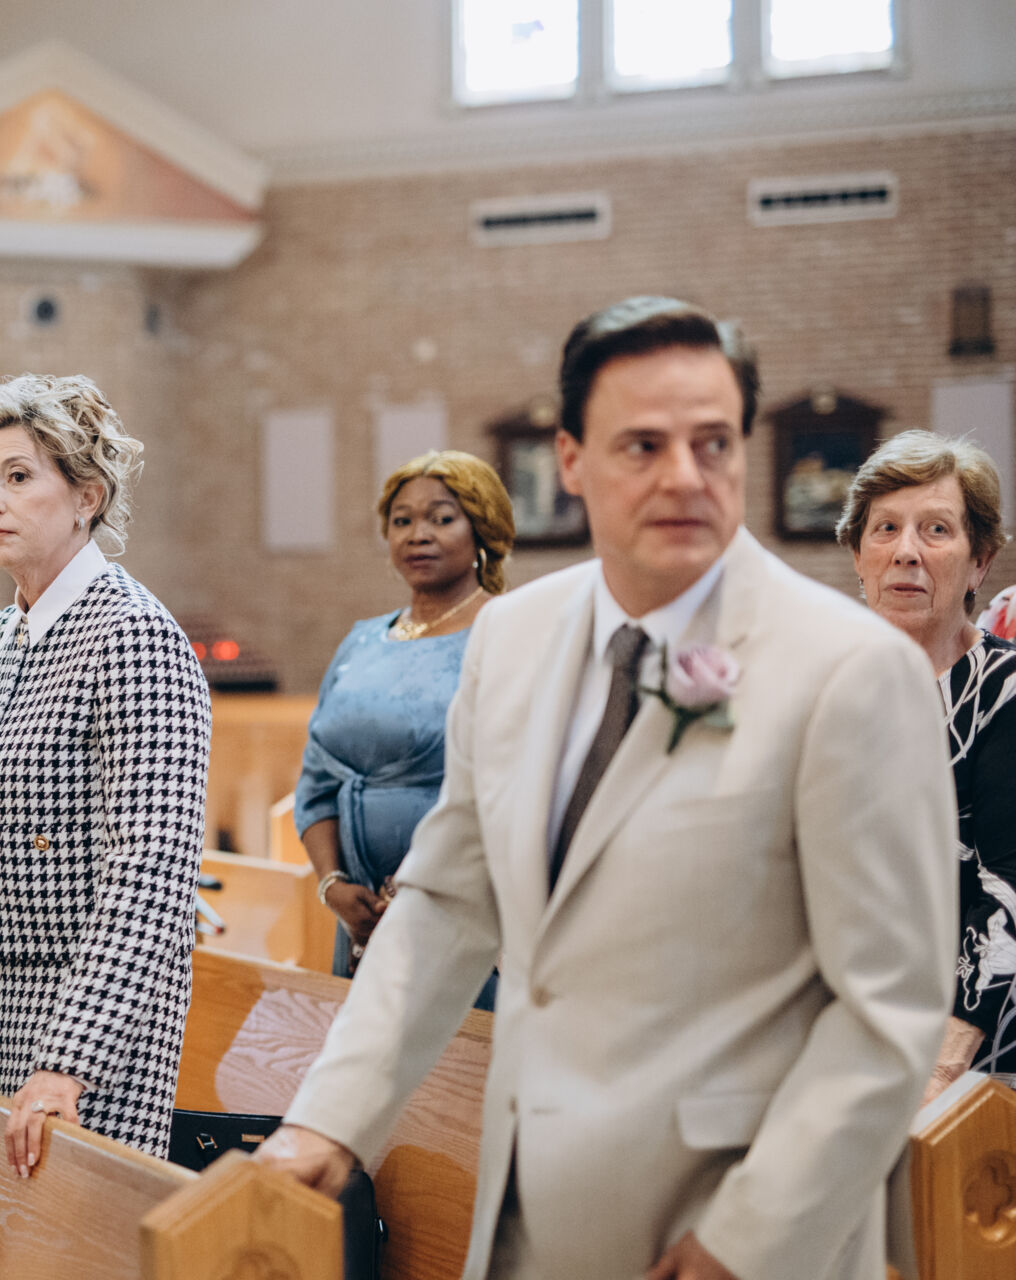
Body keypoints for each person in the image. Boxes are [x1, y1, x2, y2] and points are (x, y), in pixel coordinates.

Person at [257, 296, 957, 1280]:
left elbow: (887, 1011)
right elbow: (449, 901)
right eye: (643, 445)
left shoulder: (849, 669)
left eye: (713, 443)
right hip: (524, 1212)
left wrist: (744, 1242)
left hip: (725, 1221)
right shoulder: (512, 636)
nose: (685, 476)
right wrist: (329, 1119)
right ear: (572, 459)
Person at [0, 373, 209, 1175]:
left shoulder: (134, 636)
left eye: (19, 477)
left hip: (94, 1031)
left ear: (87, 496)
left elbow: (150, 876)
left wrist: (70, 1061)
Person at [295, 450, 513, 989]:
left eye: (442, 518)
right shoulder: (362, 640)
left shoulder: (507, 631)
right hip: (361, 915)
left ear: (482, 528)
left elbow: (516, 784)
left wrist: (429, 885)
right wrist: (332, 884)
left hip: (466, 907)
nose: (419, 535)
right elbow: (317, 781)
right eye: (402, 521)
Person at [837, 430, 1016, 1085]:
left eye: (936, 530)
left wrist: (940, 1069)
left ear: (979, 563)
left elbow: (1008, 890)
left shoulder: (1004, 691)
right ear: (858, 556)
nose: (906, 551)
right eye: (885, 529)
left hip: (978, 1065)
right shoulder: (822, 686)